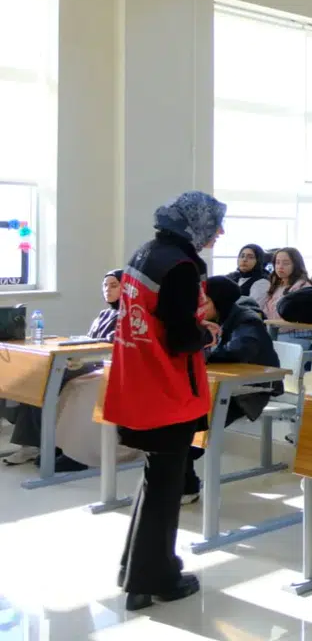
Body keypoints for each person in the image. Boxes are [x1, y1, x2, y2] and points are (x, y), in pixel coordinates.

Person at [104, 191, 226, 611]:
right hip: (166, 389)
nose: (219, 232)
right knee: (165, 486)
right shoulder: (180, 266)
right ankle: (155, 580)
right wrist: (208, 333)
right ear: (195, 223)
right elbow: (178, 338)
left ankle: (138, 574)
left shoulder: (146, 254)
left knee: (157, 481)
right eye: (214, 223)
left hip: (138, 384)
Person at [4, 270, 126, 471]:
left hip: (105, 367)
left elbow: (110, 346)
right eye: (105, 285)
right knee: (36, 378)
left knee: (46, 379)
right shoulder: (105, 314)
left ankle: (55, 446)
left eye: (114, 285)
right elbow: (90, 338)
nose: (107, 290)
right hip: (88, 362)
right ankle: (37, 444)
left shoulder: (129, 315)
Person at [184, 276, 283, 503]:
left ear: (219, 302)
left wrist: (206, 348)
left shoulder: (247, 321)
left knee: (193, 425)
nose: (199, 307)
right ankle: (184, 482)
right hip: (221, 388)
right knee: (181, 420)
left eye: (205, 302)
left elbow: (239, 351)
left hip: (249, 391)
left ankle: (187, 487)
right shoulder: (209, 319)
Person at [263, 247, 311, 321]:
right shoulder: (276, 285)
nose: (280, 267)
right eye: (277, 262)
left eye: (286, 263)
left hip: (295, 331)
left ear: (296, 265)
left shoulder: (302, 286)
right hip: (273, 329)